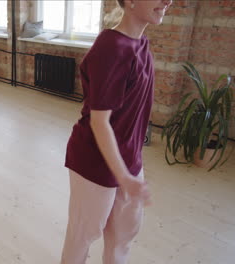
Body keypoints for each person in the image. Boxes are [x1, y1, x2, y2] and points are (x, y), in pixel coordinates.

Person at [61, 0, 172, 263]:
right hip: (94, 161)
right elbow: (100, 122)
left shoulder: (141, 44)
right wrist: (125, 177)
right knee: (82, 236)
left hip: (129, 161)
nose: (168, 0)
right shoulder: (111, 47)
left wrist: (130, 171)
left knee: (122, 240)